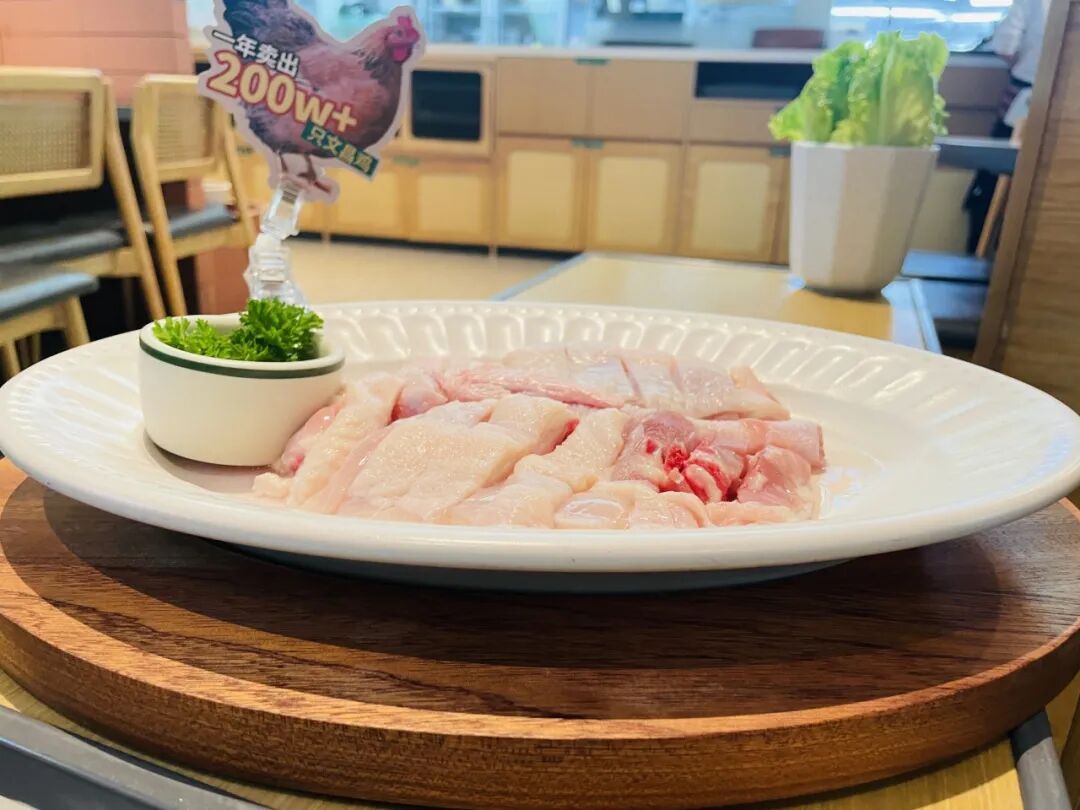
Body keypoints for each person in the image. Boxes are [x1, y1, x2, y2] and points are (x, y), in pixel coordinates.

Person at [963, 0, 1051, 252]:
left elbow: (1005, 45)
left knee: (993, 182)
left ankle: (981, 249)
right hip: (1064, 111)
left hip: (1022, 98)